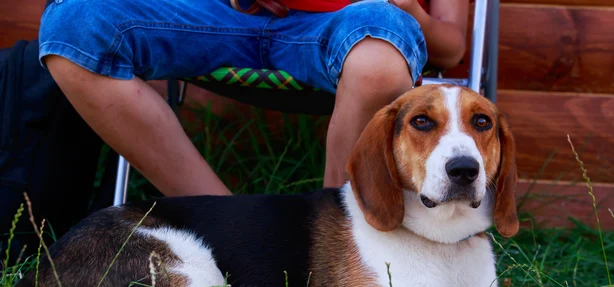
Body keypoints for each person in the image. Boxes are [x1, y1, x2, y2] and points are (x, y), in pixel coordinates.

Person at [38, 0, 468, 194]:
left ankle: (339, 250)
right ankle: (227, 230)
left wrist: (410, 12)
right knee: (76, 23)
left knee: (380, 42)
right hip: (221, 14)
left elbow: (451, 48)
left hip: (353, 27)